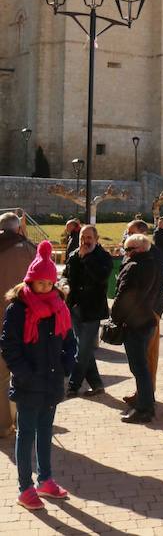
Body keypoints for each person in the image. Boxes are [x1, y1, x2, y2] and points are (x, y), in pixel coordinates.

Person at [0, 240, 75, 509]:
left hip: (52, 380)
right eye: (40, 283)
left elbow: (69, 340)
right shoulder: (18, 309)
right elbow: (9, 346)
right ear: (30, 281)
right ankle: (25, 488)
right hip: (29, 382)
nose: (44, 287)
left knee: (45, 432)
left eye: (49, 283)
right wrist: (24, 374)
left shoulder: (59, 306)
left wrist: (68, 365)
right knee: (26, 433)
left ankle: (45, 480)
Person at [111, 234, 160, 423]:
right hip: (146, 320)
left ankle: (144, 409)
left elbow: (122, 296)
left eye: (129, 249)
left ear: (138, 250)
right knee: (142, 367)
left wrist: (115, 317)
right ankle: (147, 401)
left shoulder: (134, 267)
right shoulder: (152, 264)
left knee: (138, 367)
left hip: (135, 324)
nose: (126, 253)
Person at [63, 224, 112, 397]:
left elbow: (101, 277)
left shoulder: (103, 256)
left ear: (96, 239)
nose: (85, 241)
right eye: (83, 237)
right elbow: (66, 276)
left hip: (93, 310)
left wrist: (87, 258)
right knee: (84, 349)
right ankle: (97, 385)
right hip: (75, 308)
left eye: (89, 238)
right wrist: (64, 285)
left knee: (82, 350)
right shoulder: (73, 255)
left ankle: (73, 385)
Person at [122, 219, 163, 410]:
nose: (127, 235)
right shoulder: (138, 252)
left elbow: (158, 285)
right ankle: (143, 392)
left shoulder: (152, 254)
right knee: (140, 357)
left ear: (142, 233)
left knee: (148, 356)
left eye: (130, 232)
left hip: (149, 312)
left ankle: (148, 394)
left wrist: (153, 311)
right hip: (139, 313)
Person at [0, 212, 36, 440]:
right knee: (26, 371)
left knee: (2, 375)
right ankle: (26, 421)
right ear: (18, 228)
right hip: (25, 320)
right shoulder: (28, 250)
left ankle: (4, 425)